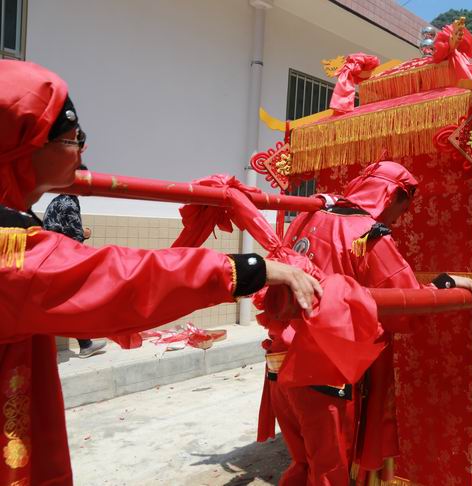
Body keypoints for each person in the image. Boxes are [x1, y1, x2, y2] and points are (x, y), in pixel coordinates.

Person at [0, 60, 322, 485]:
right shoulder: (10, 251)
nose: (82, 152)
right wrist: (248, 269)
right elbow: (114, 279)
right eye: (72, 138)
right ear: (22, 146)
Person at [259, 161, 472, 485]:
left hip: (279, 359)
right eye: (401, 208)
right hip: (323, 368)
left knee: (303, 461)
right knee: (328, 471)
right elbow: (404, 303)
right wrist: (448, 283)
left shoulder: (311, 214)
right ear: (391, 196)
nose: (398, 219)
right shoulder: (366, 234)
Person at [42, 164, 107, 358]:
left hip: (51, 257)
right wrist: (85, 234)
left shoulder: (56, 200)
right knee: (75, 301)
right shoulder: (69, 203)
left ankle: (85, 343)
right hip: (62, 259)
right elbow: (74, 236)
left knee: (66, 301)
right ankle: (84, 344)